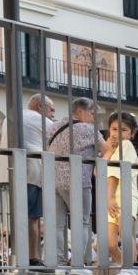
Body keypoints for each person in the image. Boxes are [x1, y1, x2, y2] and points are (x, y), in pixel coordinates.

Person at [46, 97, 104, 239]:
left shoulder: (53, 127)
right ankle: (77, 260)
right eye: (91, 113)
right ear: (80, 111)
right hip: (78, 181)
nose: (93, 118)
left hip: (53, 180)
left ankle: (58, 259)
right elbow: (107, 149)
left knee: (57, 225)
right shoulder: (88, 129)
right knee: (82, 222)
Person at [102, 112, 138, 275]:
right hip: (111, 197)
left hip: (124, 195)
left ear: (132, 134)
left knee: (125, 234)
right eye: (114, 129)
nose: (117, 133)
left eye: (123, 130)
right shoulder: (114, 149)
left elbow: (113, 174)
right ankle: (127, 268)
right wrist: (109, 150)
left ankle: (128, 268)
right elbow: (99, 171)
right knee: (111, 243)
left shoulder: (126, 145)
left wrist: (110, 198)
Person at [20, 93, 54, 263]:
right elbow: (60, 142)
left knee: (16, 215)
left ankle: (19, 256)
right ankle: (33, 257)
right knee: (33, 217)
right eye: (51, 110)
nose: (52, 115)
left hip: (9, 171)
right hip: (33, 172)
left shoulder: (12, 116)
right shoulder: (42, 121)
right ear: (40, 107)